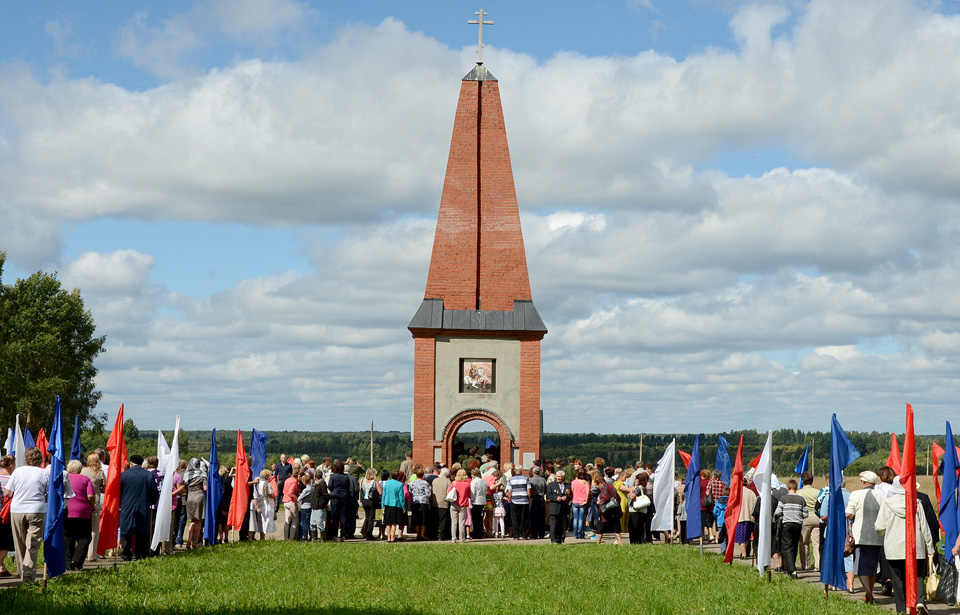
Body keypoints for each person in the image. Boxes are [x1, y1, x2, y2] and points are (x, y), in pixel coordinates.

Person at [875, 480, 934, 614]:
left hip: (894, 548)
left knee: (898, 580)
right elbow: (924, 528)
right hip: (915, 547)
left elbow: (879, 527)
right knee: (918, 575)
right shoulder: (916, 503)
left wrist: (887, 531)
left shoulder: (887, 503)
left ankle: (902, 610)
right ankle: (918, 600)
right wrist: (930, 548)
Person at [4, 447, 47, 582]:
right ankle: (28, 577)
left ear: (26, 458)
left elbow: (7, 493)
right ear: (40, 459)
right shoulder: (44, 473)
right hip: (37, 510)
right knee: (33, 545)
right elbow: (48, 493)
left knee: (20, 544)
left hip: (17, 510)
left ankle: (22, 573)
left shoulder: (17, 471)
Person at [846, 471, 884, 604]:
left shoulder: (855, 494)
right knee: (873, 567)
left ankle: (868, 592)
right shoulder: (882, 495)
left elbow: (849, 514)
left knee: (861, 566)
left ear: (863, 482)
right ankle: (870, 592)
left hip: (860, 535)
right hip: (877, 536)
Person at [119, 454, 159, 561]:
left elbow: (119, 491)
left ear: (131, 463)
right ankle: (140, 554)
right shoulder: (148, 475)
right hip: (143, 505)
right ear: (142, 463)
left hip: (126, 505)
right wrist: (152, 501)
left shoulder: (124, 475)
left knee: (126, 530)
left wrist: (120, 504)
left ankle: (126, 553)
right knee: (142, 531)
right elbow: (154, 491)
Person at [820, 476, 855, 592]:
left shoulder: (829, 497)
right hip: (848, 531)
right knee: (848, 556)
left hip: (833, 531)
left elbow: (823, 516)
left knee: (832, 556)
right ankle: (850, 585)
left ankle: (832, 584)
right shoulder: (851, 496)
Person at [65, 459, 96, 570]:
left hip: (67, 510)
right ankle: (77, 560)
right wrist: (93, 506)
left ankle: (68, 563)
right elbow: (91, 496)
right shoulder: (85, 479)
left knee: (69, 537)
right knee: (85, 537)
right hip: (83, 512)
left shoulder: (64, 478)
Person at [774, 479, 808, 579]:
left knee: (787, 547)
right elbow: (805, 514)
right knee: (794, 545)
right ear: (797, 488)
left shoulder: (783, 499)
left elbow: (777, 512)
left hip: (786, 524)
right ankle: (790, 568)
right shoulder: (801, 499)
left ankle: (792, 570)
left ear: (787, 488)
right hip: (797, 524)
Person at [81, 452, 106, 561]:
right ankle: (92, 554)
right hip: (95, 499)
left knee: (83, 527)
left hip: (82, 499)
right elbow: (104, 489)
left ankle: (82, 552)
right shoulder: (100, 473)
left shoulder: (82, 471)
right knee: (95, 528)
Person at [797, 471, 821, 571]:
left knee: (804, 543)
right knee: (816, 543)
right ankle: (818, 565)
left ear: (802, 481)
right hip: (816, 518)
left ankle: (805, 565)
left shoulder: (799, 493)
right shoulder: (818, 492)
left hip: (805, 519)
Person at [183, 458, 207, 549]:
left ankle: (189, 539)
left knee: (192, 520)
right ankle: (195, 542)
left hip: (189, 497)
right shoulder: (202, 474)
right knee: (198, 520)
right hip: (199, 497)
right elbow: (205, 488)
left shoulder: (187, 474)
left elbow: (184, 486)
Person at [595, 470, 623, 545]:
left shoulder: (603, 487)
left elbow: (606, 497)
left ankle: (598, 543)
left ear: (600, 483)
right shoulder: (611, 486)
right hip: (615, 510)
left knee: (601, 527)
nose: (598, 487)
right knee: (616, 528)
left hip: (607, 511)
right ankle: (620, 543)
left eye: (598, 485)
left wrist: (600, 502)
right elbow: (618, 497)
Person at [0, 455, 17, 578]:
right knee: (6, 543)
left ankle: (2, 567)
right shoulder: (11, 479)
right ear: (11, 465)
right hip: (5, 513)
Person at [327, 460, 352, 541]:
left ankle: (334, 535)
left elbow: (330, 487)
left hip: (335, 497)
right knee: (343, 517)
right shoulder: (346, 477)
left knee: (335, 517)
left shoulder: (333, 476)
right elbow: (348, 486)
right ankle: (343, 535)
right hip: (344, 497)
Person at [546, 470, 571, 543]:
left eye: (560, 476)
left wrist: (567, 498)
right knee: (554, 524)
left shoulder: (568, 485)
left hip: (563, 508)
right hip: (554, 508)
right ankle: (554, 540)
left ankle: (562, 539)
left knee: (562, 525)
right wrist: (556, 498)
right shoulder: (551, 485)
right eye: (557, 476)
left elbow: (571, 495)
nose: (558, 478)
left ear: (563, 477)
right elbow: (548, 495)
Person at [381, 470, 405, 543]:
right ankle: (393, 537)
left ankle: (388, 537)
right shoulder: (400, 484)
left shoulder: (387, 483)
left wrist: (382, 505)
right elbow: (401, 497)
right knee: (394, 523)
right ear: (398, 477)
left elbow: (384, 495)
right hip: (396, 505)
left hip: (387, 504)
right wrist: (403, 507)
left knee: (388, 523)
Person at [506, 467, 531, 540]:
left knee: (515, 518)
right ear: (521, 470)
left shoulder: (511, 479)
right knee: (525, 518)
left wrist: (510, 498)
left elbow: (509, 491)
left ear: (515, 471)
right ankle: (524, 535)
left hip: (514, 500)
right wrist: (529, 499)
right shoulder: (526, 478)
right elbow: (529, 490)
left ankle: (516, 535)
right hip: (524, 500)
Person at [409, 466, 431, 541]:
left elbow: (410, 493)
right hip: (423, 502)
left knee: (416, 519)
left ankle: (417, 534)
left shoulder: (412, 483)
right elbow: (428, 494)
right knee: (423, 519)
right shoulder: (425, 483)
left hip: (415, 502)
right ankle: (422, 535)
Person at [361, 467, 383, 541]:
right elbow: (380, 492)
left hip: (365, 501)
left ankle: (366, 532)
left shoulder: (363, 481)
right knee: (371, 518)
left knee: (367, 517)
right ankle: (369, 534)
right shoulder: (375, 482)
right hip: (372, 502)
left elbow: (363, 490)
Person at [451, 469, 472, 544]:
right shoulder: (467, 484)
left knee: (454, 522)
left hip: (454, 504)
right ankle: (462, 538)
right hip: (463, 505)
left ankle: (453, 538)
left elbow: (448, 493)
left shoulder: (454, 483)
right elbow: (470, 495)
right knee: (462, 522)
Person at [431, 467, 452, 541]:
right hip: (443, 502)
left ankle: (433, 535)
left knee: (435, 520)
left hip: (434, 502)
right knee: (443, 520)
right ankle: (441, 535)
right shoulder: (447, 481)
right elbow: (449, 492)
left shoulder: (435, 480)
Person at [528, 466, 547, 540]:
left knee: (533, 517)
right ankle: (542, 533)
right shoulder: (543, 480)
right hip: (541, 498)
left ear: (533, 472)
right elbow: (546, 489)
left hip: (533, 498)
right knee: (542, 516)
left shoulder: (530, 480)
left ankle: (534, 534)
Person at [282, 466, 300, 540]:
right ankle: (292, 538)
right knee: (295, 521)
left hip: (285, 501)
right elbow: (290, 493)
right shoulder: (294, 481)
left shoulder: (287, 480)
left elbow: (284, 491)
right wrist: (295, 500)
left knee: (287, 520)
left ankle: (286, 537)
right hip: (291, 501)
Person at [571, 469, 589, 539]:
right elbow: (587, 492)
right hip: (582, 502)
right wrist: (586, 501)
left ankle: (576, 534)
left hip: (575, 501)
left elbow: (572, 491)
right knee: (581, 519)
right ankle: (580, 533)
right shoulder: (586, 482)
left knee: (575, 518)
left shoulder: (573, 482)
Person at [469, 467, 487, 540]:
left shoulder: (474, 482)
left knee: (475, 519)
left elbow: (472, 492)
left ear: (474, 474)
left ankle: (475, 534)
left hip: (475, 501)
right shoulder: (483, 481)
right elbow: (485, 491)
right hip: (482, 500)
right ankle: (480, 533)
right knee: (480, 518)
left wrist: (471, 500)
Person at [297, 471, 314, 541]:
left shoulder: (306, 489)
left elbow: (299, 499)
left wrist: (298, 495)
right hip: (311, 506)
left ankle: (305, 536)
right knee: (310, 522)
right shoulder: (313, 488)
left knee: (304, 523)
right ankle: (311, 536)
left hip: (305, 506)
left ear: (304, 481)